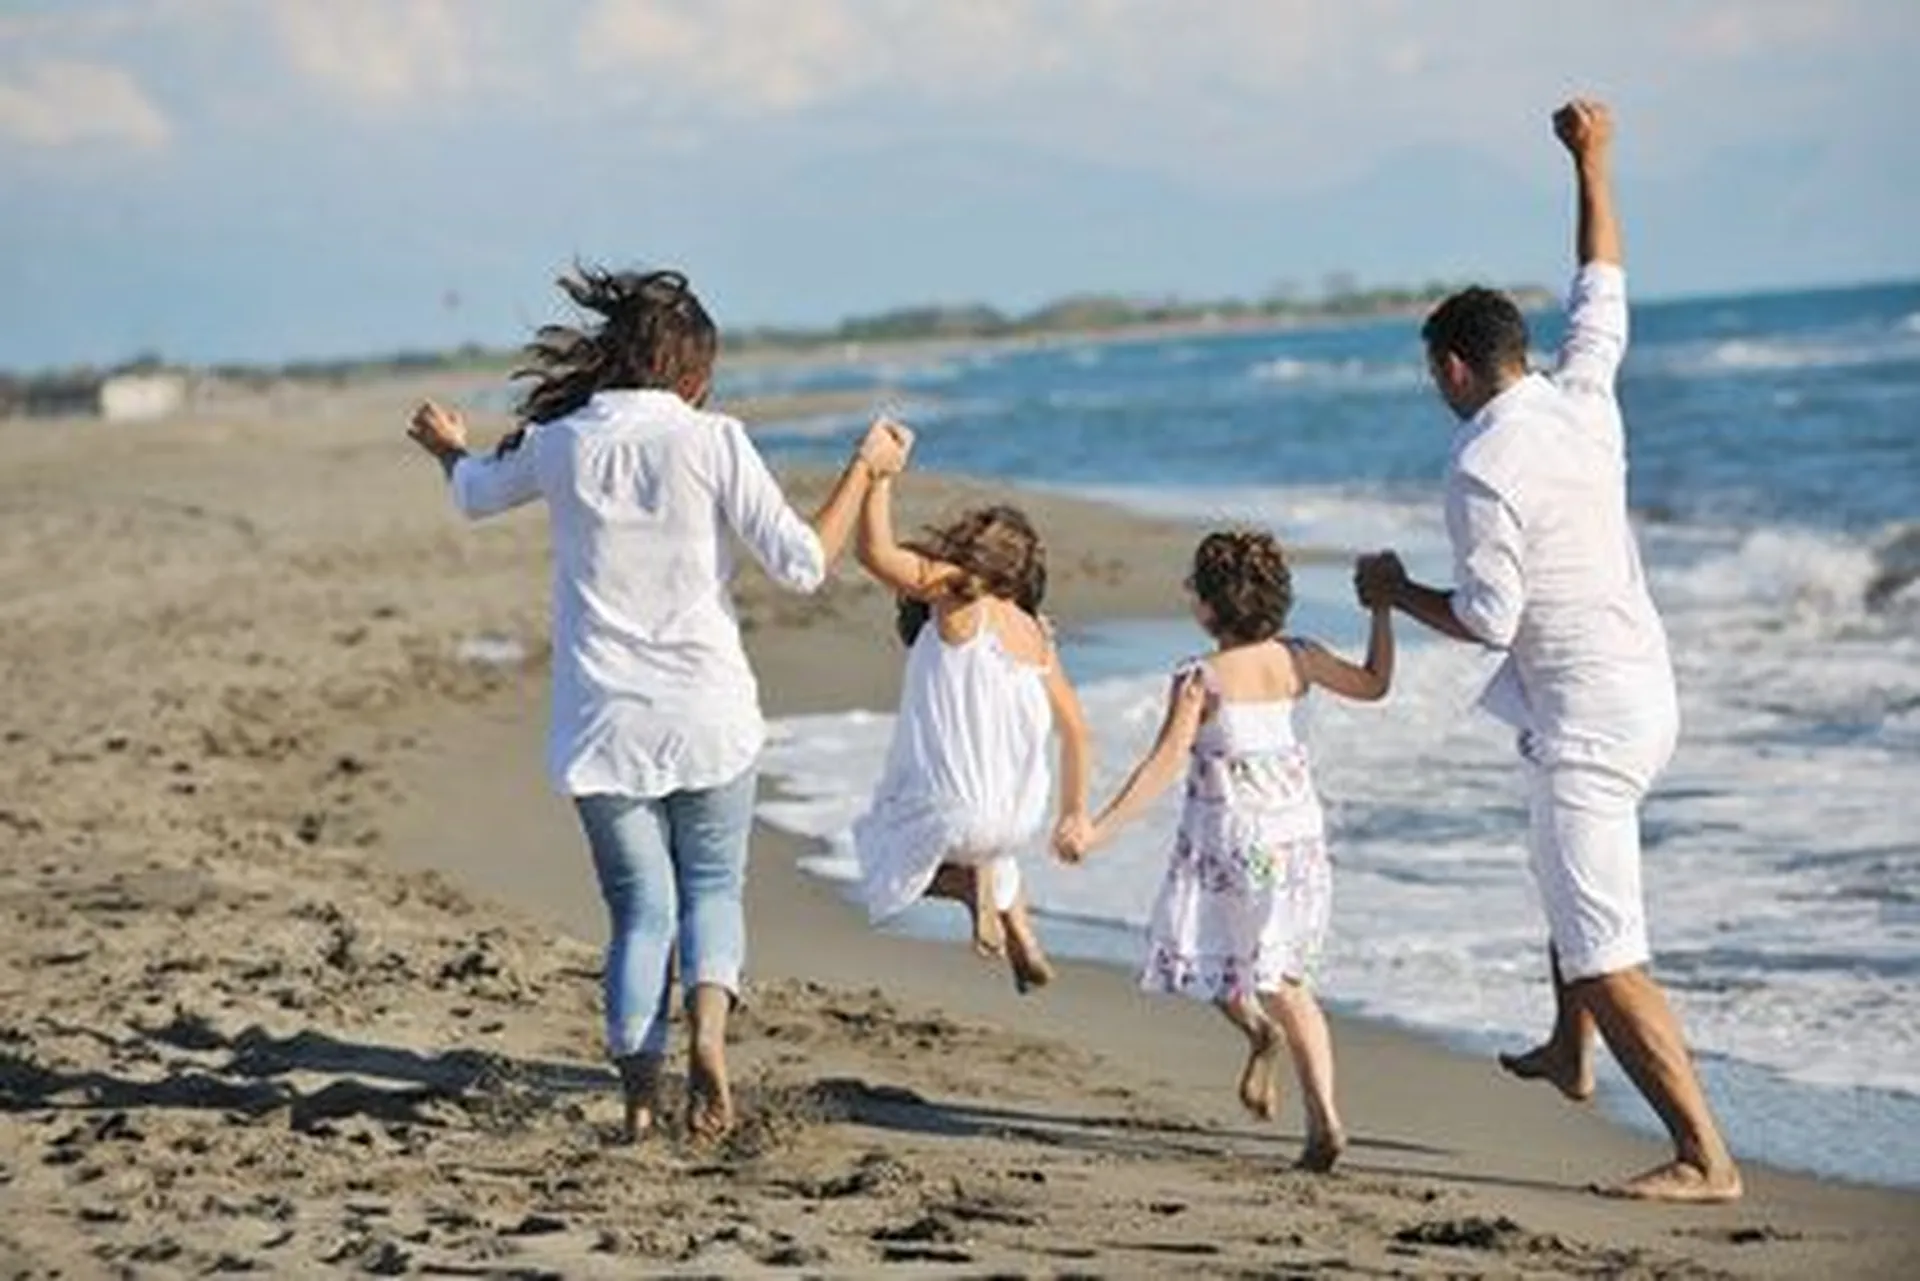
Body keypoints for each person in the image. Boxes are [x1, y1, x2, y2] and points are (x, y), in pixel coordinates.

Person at [404, 267, 908, 1143]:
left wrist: (448, 447)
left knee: (641, 912)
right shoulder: (714, 440)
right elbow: (803, 564)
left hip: (603, 724)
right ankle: (707, 1036)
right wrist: (866, 468)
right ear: (692, 373)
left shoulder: (560, 441)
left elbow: (475, 493)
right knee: (712, 889)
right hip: (710, 712)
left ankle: (639, 1101)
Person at [1355, 100, 1742, 1202]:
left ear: (1454, 369)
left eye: (1434, 374)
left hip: (1585, 727)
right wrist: (1594, 159)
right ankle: (1572, 1050)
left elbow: (1489, 617)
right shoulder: (1584, 397)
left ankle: (1705, 1157)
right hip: (1645, 694)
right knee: (1565, 881)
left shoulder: (1481, 466)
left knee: (1606, 945)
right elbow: (1601, 283)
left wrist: (1393, 591)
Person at [1059, 530, 1393, 1172]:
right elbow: (1375, 683)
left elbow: (1162, 765)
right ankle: (1322, 1114)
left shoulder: (1201, 678)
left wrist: (1098, 830)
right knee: (1288, 981)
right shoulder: (1301, 658)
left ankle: (1265, 1042)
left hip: (1231, 844)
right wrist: (1383, 609)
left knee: (1208, 951)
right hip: (1297, 845)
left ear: (1209, 607)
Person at [850, 429, 1092, 993]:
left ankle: (962, 885)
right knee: (992, 842)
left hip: (955, 815)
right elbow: (1078, 732)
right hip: (1018, 822)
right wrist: (1074, 814)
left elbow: (873, 554)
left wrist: (879, 476)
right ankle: (1022, 933)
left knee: (878, 845)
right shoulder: (1036, 633)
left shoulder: (957, 597)